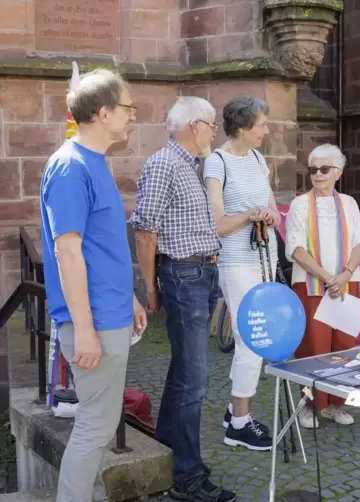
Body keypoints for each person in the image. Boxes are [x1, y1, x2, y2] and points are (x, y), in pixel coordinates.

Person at [39, 69, 147, 502]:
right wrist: (83, 328)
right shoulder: (70, 166)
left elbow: (100, 250)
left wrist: (132, 298)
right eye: (127, 107)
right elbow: (68, 254)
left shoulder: (92, 161)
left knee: (99, 428)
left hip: (109, 314)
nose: (133, 116)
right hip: (94, 323)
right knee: (94, 428)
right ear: (103, 113)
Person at [132, 97, 236, 502]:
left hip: (200, 274)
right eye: (212, 124)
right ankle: (187, 479)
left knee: (183, 373)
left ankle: (170, 454)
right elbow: (144, 229)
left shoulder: (191, 165)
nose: (215, 131)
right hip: (184, 275)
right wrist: (151, 287)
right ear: (195, 125)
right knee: (194, 379)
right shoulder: (165, 163)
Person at [203, 96, 280, 451]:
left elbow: (274, 211)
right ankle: (238, 424)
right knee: (250, 339)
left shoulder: (258, 158)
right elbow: (217, 223)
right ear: (243, 127)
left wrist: (266, 215)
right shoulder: (217, 163)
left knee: (258, 339)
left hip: (265, 256)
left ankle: (236, 410)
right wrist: (251, 214)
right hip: (237, 262)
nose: (266, 130)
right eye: (262, 124)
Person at [285, 144, 360, 429]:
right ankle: (308, 405)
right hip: (311, 286)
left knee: (343, 348)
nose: (318, 175)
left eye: (324, 169)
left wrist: (344, 275)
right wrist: (327, 277)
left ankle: (334, 404)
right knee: (313, 347)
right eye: (313, 170)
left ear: (338, 173)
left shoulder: (348, 203)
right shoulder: (299, 204)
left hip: (347, 284)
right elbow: (296, 248)